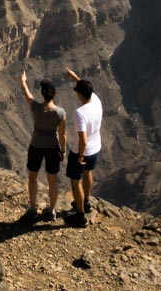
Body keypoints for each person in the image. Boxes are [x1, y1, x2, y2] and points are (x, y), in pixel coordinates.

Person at [18, 70, 67, 222]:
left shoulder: (36, 108)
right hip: (53, 148)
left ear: (43, 94)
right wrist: (63, 151)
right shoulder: (60, 113)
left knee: (33, 177)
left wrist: (23, 81)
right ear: (54, 94)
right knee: (52, 180)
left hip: (36, 146)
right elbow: (63, 134)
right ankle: (51, 210)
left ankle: (32, 209)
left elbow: (26, 93)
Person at [62, 66, 102, 228]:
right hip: (96, 148)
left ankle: (80, 216)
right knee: (88, 173)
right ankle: (86, 202)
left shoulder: (80, 113)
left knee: (75, 181)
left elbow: (82, 140)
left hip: (82, 152)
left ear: (79, 94)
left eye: (77, 91)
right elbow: (85, 87)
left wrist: (79, 155)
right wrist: (74, 76)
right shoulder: (96, 100)